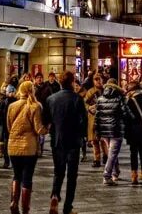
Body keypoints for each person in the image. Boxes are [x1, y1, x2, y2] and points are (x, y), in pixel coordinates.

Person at [43, 71, 87, 214]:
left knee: (58, 172)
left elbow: (46, 121)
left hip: (57, 141)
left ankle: (55, 195)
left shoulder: (51, 99)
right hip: (73, 141)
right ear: (72, 81)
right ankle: (68, 207)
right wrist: (83, 137)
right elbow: (83, 121)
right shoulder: (77, 99)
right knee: (72, 175)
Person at [7, 81, 47, 214]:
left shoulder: (12, 106)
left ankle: (13, 201)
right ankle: (25, 209)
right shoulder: (35, 106)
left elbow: (9, 126)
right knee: (27, 178)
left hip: (13, 146)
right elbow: (38, 128)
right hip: (29, 147)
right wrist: (47, 129)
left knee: (16, 175)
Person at [94, 78, 132, 185]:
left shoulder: (100, 99)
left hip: (104, 130)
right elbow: (126, 113)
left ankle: (116, 172)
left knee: (112, 152)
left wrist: (97, 131)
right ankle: (107, 176)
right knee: (112, 153)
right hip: (116, 129)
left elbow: (97, 117)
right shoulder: (119, 98)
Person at [124, 80, 142, 184]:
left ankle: (134, 175)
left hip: (132, 129)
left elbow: (127, 117)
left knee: (133, 153)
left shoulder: (130, 101)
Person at [83, 74, 105, 168]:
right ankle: (97, 159)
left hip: (103, 118)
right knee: (94, 141)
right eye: (95, 80)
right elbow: (85, 103)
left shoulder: (106, 90)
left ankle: (106, 155)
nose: (98, 82)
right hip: (93, 118)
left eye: (99, 80)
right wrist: (89, 108)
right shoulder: (90, 91)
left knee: (103, 140)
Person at [0, 84, 17, 169]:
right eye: (9, 92)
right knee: (6, 145)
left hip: (15, 126)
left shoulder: (17, 102)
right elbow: (0, 113)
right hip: (6, 126)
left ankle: (13, 161)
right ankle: (6, 161)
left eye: (12, 92)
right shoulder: (4, 102)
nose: (11, 94)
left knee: (14, 145)